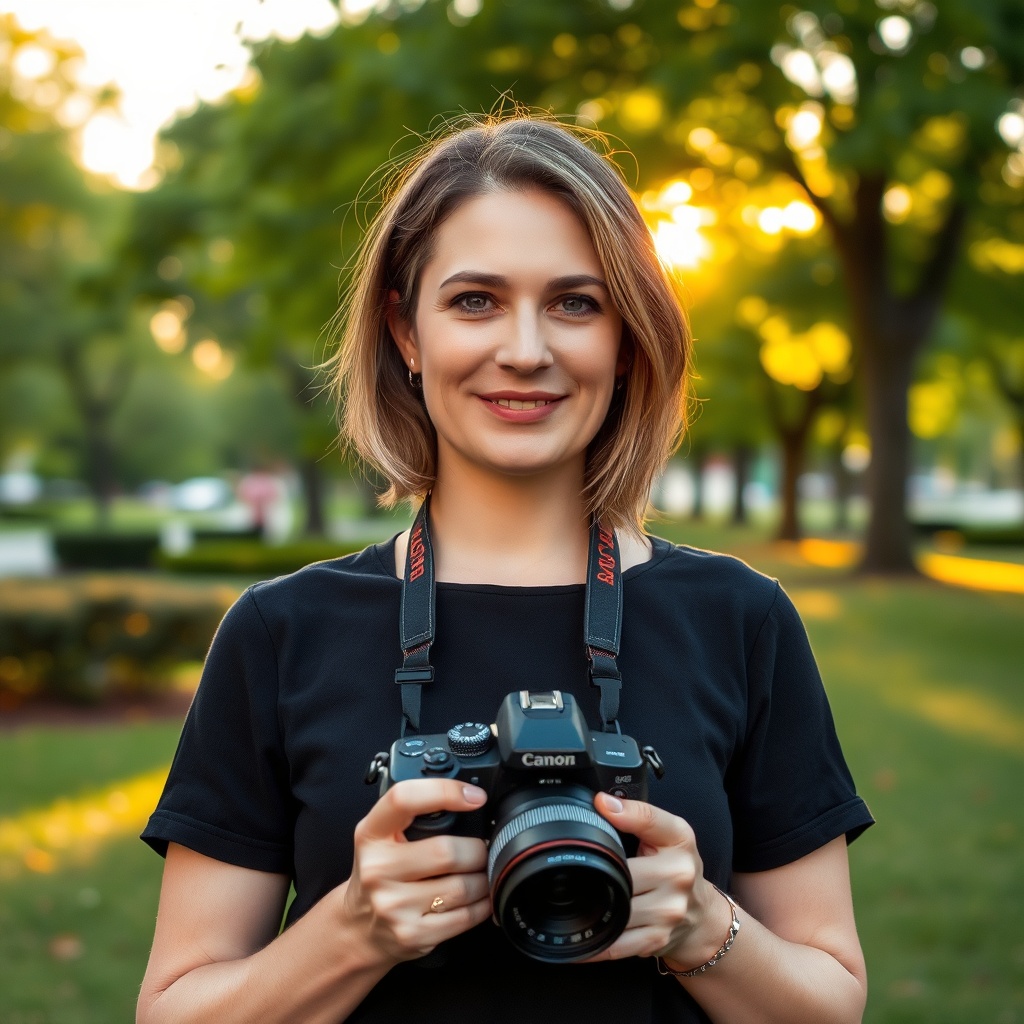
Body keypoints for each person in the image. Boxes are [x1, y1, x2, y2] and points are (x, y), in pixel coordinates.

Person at [137, 115, 873, 1024]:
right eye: (475, 300)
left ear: (627, 337)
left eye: (576, 303)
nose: (526, 350)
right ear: (406, 332)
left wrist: (698, 926)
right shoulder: (283, 631)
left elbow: (832, 1004)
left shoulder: (739, 618)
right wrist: (356, 931)